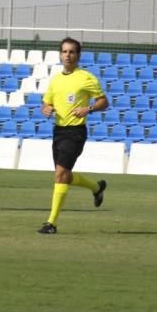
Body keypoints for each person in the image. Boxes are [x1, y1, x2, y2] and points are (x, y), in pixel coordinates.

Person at [37, 37, 109, 234]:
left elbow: (104, 102)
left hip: (75, 132)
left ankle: (51, 223)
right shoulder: (56, 80)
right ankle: (96, 187)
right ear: (60, 54)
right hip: (58, 131)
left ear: (78, 55)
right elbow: (47, 103)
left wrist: (89, 108)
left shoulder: (86, 77)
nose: (67, 55)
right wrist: (46, 108)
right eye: (65, 52)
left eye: (71, 52)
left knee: (60, 175)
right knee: (64, 176)